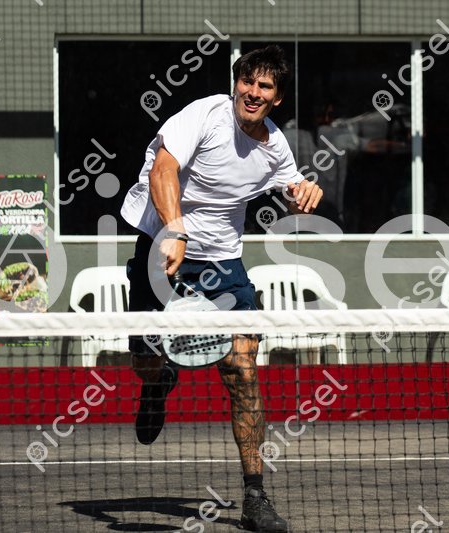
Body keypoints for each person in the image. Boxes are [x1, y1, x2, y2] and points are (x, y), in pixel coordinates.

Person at [120, 45, 322, 533]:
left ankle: (254, 496)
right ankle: (157, 383)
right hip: (161, 247)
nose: (253, 92)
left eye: (264, 86)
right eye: (247, 81)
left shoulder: (275, 147)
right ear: (236, 84)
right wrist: (175, 231)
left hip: (222, 263)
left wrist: (304, 194)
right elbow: (162, 169)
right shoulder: (204, 115)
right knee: (145, 360)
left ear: (276, 98)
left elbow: (292, 189)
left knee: (243, 370)